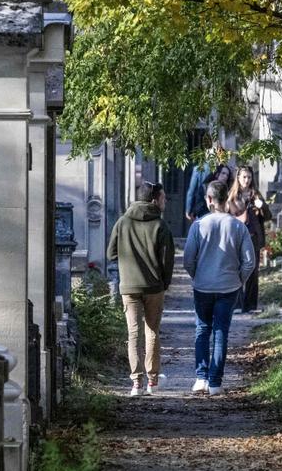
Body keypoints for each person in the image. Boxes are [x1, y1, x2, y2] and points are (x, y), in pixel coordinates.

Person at [183, 180, 256, 395]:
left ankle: (201, 378)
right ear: (226, 199)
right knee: (221, 331)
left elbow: (188, 259)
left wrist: (197, 275)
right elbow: (249, 262)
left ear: (209, 199)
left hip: (203, 286)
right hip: (228, 286)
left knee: (202, 329)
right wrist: (239, 280)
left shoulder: (198, 225)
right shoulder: (238, 226)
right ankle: (215, 382)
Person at [107, 181, 176, 396]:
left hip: (129, 286)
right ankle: (152, 381)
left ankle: (136, 383)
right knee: (152, 331)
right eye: (163, 197)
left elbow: (111, 253)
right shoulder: (160, 225)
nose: (165, 201)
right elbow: (167, 260)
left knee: (133, 333)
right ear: (154, 200)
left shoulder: (122, 222)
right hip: (153, 286)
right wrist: (164, 283)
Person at [226, 165, 272, 312]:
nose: (247, 180)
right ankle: (237, 303)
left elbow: (268, 216)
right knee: (236, 269)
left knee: (252, 271)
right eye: (244, 177)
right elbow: (226, 216)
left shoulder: (256, 195)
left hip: (253, 237)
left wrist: (262, 206)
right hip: (236, 237)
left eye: (249, 177)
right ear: (238, 178)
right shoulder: (232, 196)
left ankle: (250, 305)